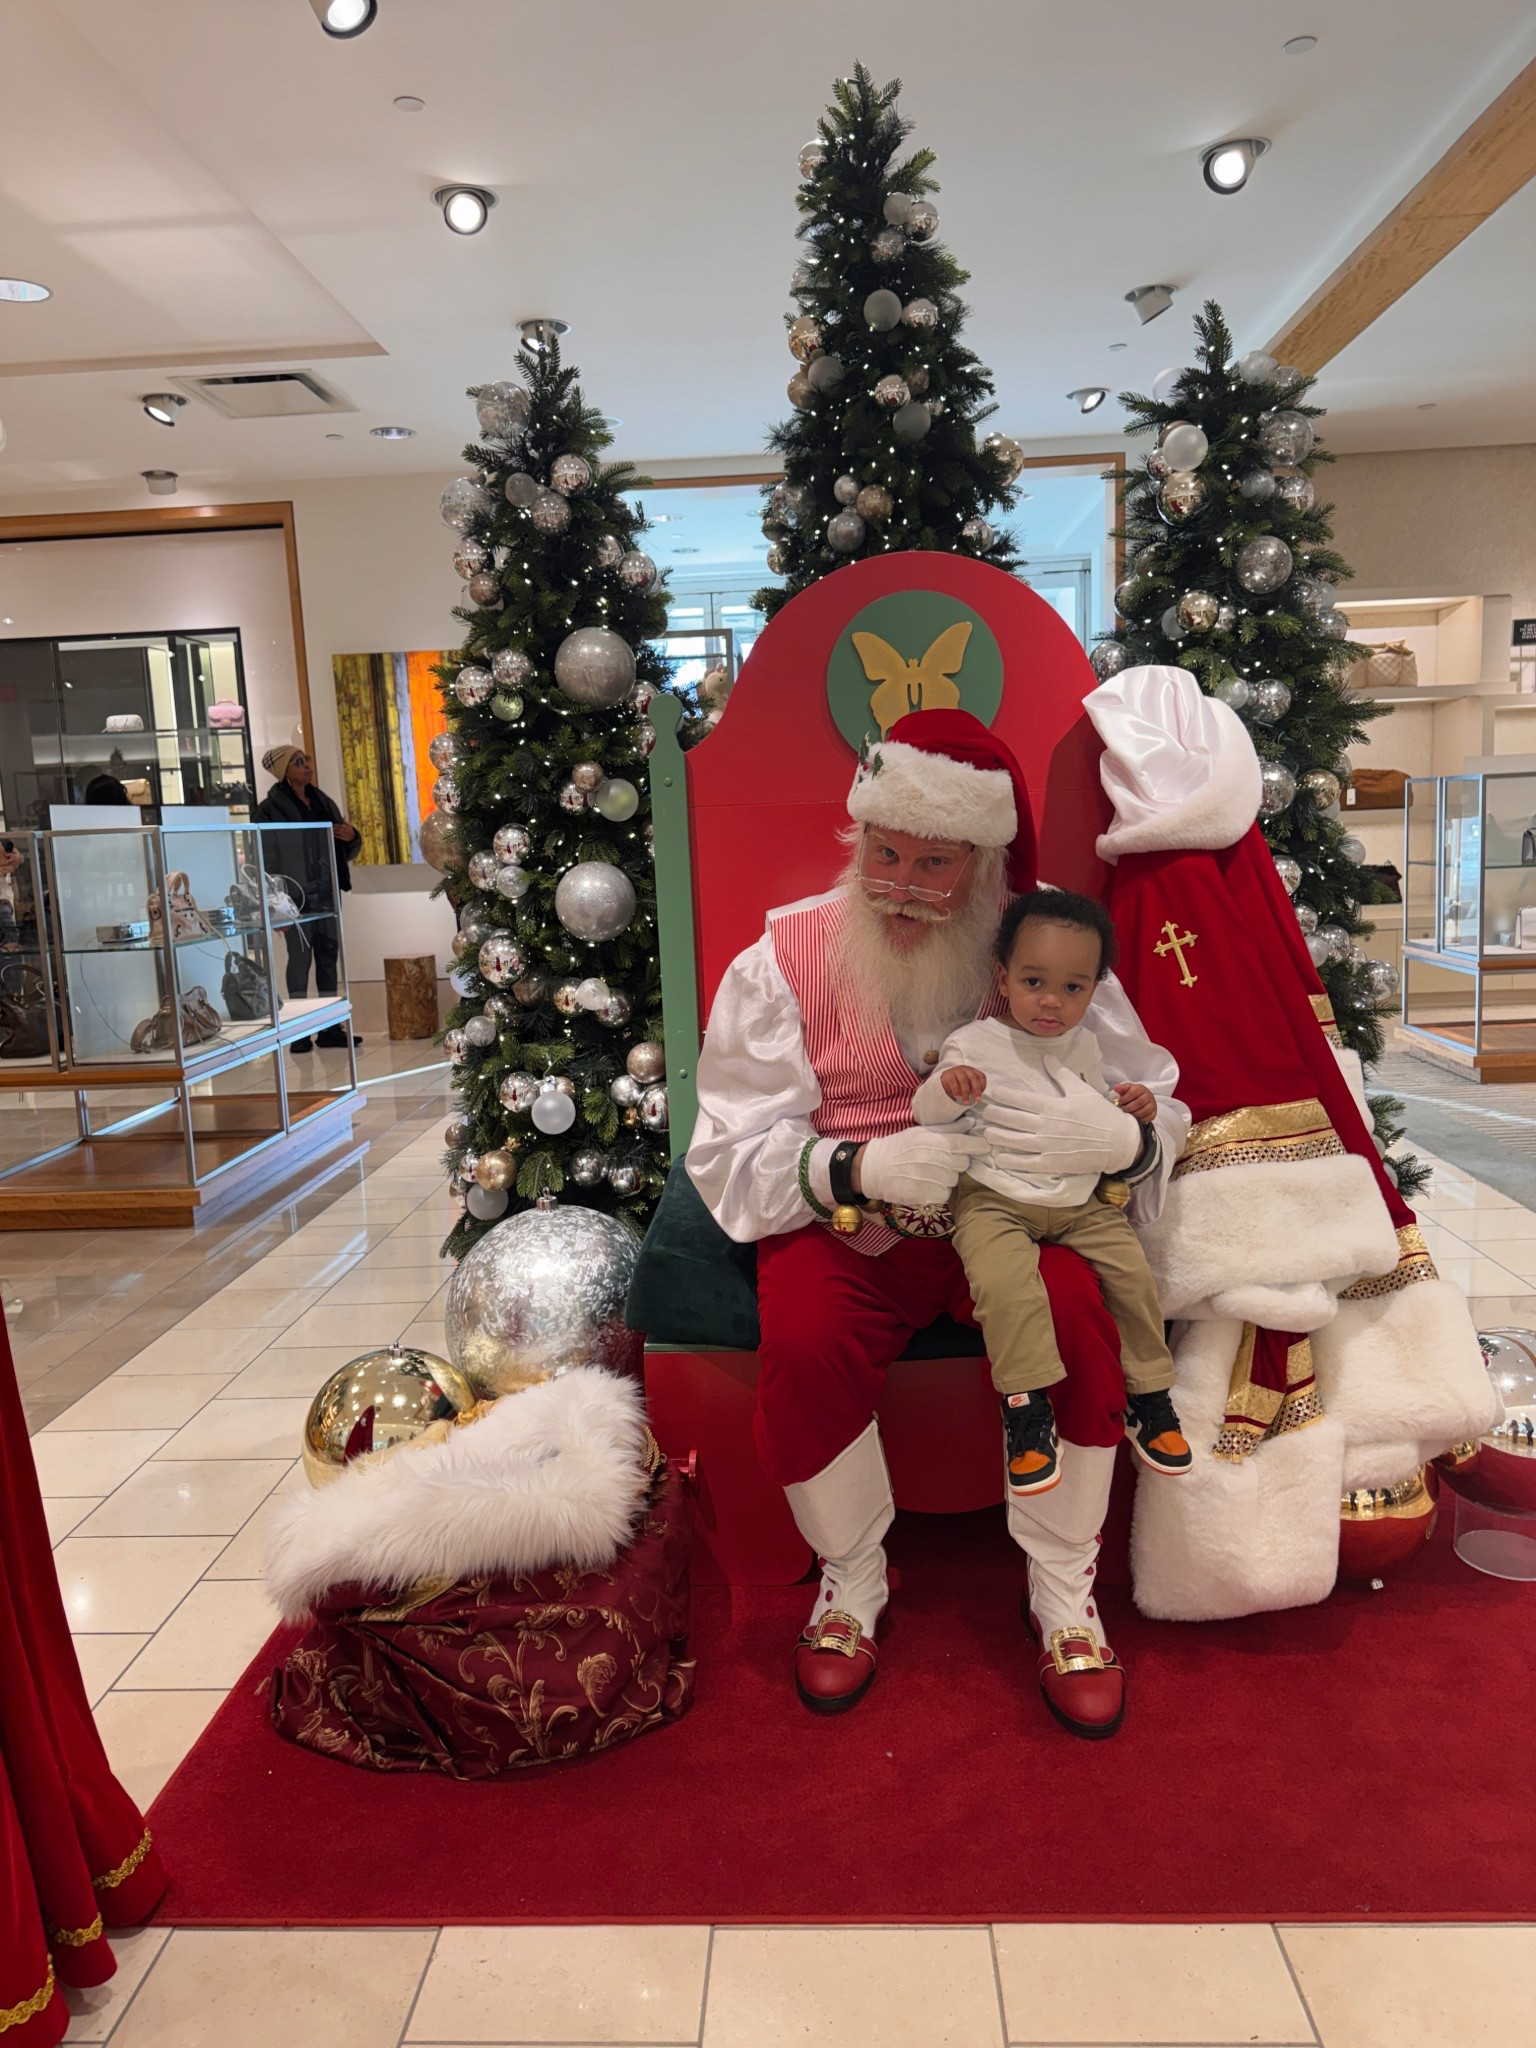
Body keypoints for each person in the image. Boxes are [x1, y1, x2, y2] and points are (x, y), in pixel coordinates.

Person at [687, 708, 1190, 1738]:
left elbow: (1156, 1096)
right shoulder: (782, 959)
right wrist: (857, 1163)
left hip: (1019, 1211)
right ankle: (853, 1578)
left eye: (936, 863)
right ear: (857, 836)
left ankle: (1061, 1589)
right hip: (854, 1226)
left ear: (986, 863)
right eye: (885, 852)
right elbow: (728, 1149)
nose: (903, 886)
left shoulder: (1041, 948)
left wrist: (1126, 1138)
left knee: (1078, 1312)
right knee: (809, 1337)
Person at [913, 886, 1189, 1497]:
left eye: (1073, 988)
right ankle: (1025, 1406)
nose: (1051, 1002)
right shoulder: (976, 1041)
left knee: (1132, 1273)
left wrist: (1135, 1109)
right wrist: (948, 1086)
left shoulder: (1086, 1045)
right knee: (1005, 1284)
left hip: (1076, 1200)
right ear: (1003, 977)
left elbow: (1097, 1113)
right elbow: (926, 1111)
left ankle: (1149, 1391)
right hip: (992, 1196)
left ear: (1094, 990)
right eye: (1034, 980)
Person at [254, 744, 361, 1051]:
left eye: (307, 759)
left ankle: (329, 1028)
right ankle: (299, 1031)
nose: (306, 766)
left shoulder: (322, 801)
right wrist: (275, 903)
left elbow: (346, 845)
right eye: (297, 762)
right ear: (284, 771)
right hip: (295, 898)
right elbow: (265, 858)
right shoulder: (269, 810)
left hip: (328, 894)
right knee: (299, 960)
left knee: (328, 958)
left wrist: (353, 837)